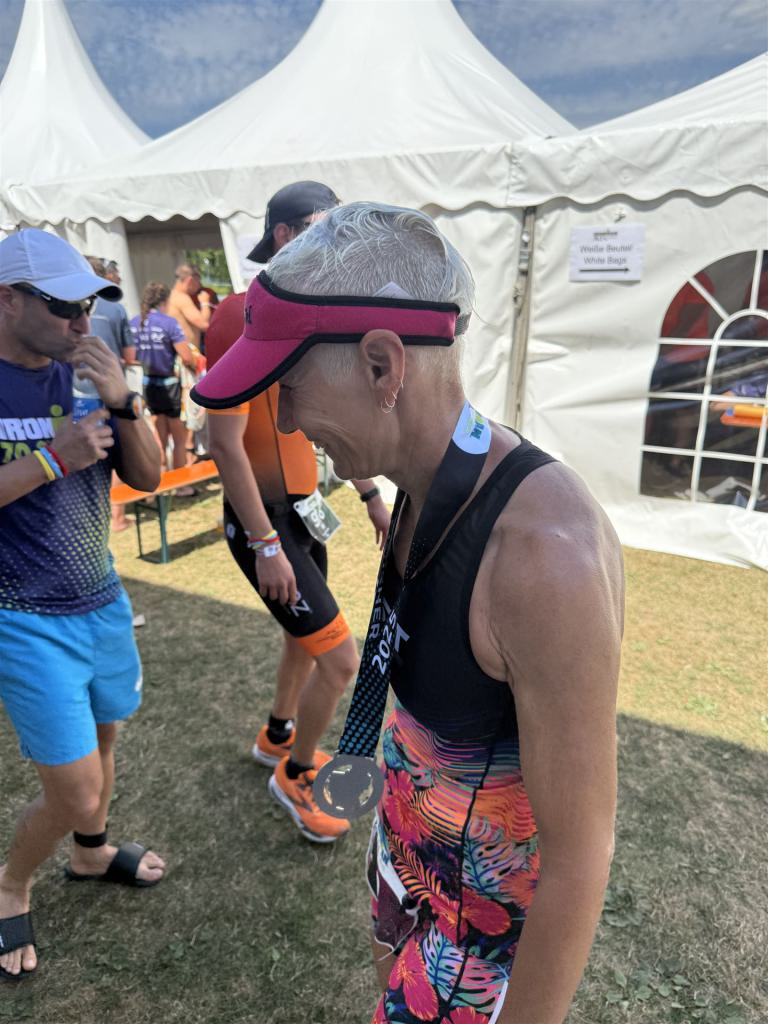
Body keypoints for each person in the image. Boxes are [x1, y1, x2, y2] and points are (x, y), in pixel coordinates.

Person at [192, 203, 624, 1024]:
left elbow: (579, 858)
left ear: (382, 366)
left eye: (290, 387)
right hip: (411, 864)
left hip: (478, 948)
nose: (285, 420)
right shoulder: (425, 482)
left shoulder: (543, 557)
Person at [0, 229, 165, 982]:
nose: (81, 322)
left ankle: (91, 853)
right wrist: (51, 459)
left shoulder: (88, 371)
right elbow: (53, 464)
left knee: (106, 737)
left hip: (100, 599)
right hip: (22, 615)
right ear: (8, 300)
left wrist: (124, 401)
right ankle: (11, 882)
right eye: (64, 307)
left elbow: (149, 477)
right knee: (74, 790)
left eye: (89, 307)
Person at [206, 182, 390, 845]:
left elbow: (323, 419)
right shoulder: (239, 315)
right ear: (284, 235)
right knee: (341, 661)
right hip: (266, 522)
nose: (337, 240)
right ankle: (297, 773)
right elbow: (223, 442)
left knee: (304, 643)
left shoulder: (305, 316)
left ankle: (278, 736)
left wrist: (369, 494)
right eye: (322, 226)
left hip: (303, 514)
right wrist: (264, 543)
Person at [130, 282, 198, 496]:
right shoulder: (169, 323)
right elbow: (186, 356)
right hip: (170, 386)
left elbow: (130, 356)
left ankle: (159, 484)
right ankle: (181, 486)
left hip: (148, 385)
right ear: (165, 301)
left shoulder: (134, 322)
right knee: (179, 440)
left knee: (159, 440)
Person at [85, 256, 137, 531]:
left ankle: (96, 515)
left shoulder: (63, 308)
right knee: (114, 451)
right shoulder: (115, 308)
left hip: (73, 393)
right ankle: (117, 516)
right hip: (109, 395)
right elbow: (129, 355)